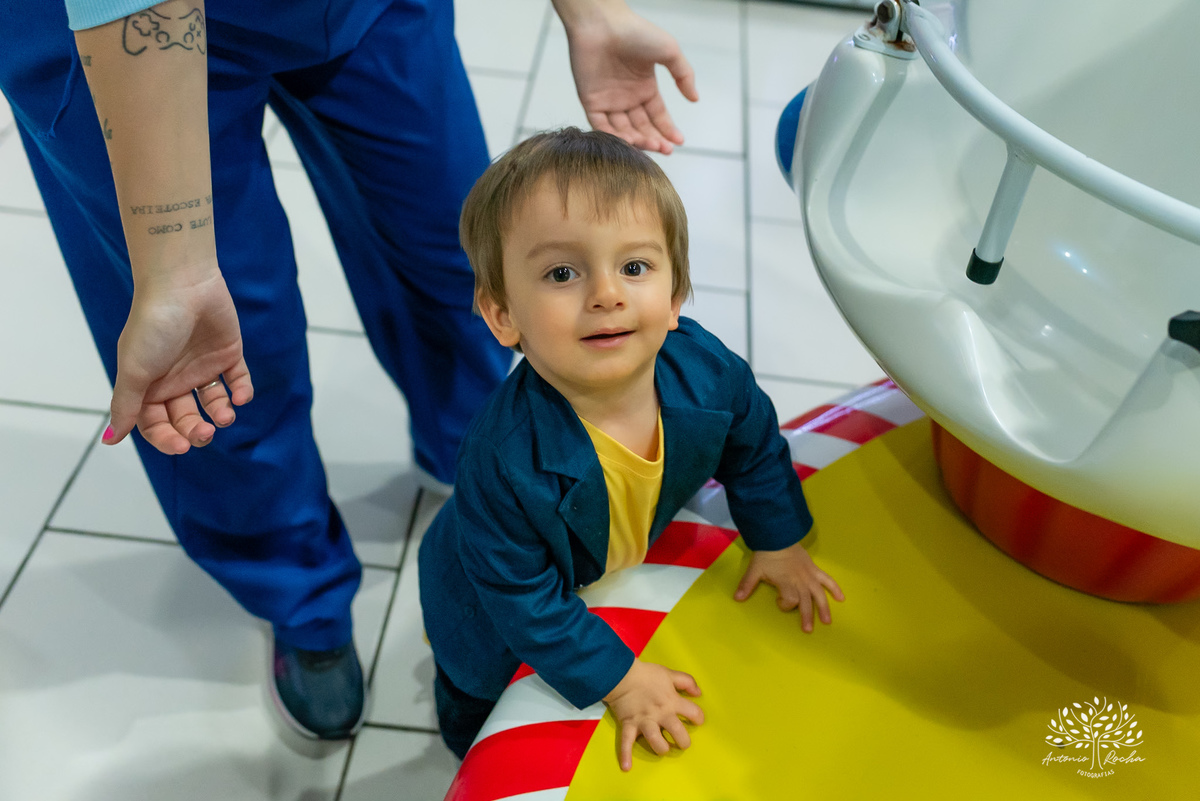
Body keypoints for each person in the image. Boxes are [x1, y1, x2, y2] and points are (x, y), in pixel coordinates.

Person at [0, 0, 698, 740]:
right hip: (116, 30)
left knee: (456, 252)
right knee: (220, 351)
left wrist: (589, 11)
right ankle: (296, 589)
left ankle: (474, 460)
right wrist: (174, 262)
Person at [419, 128, 846, 769]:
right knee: (473, 698)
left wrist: (777, 538)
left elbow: (754, 445)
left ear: (674, 296)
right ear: (503, 314)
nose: (606, 294)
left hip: (603, 562)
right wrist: (618, 678)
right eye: (563, 272)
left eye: (635, 267)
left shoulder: (706, 371)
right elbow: (522, 597)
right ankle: (463, 751)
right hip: (486, 606)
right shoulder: (503, 458)